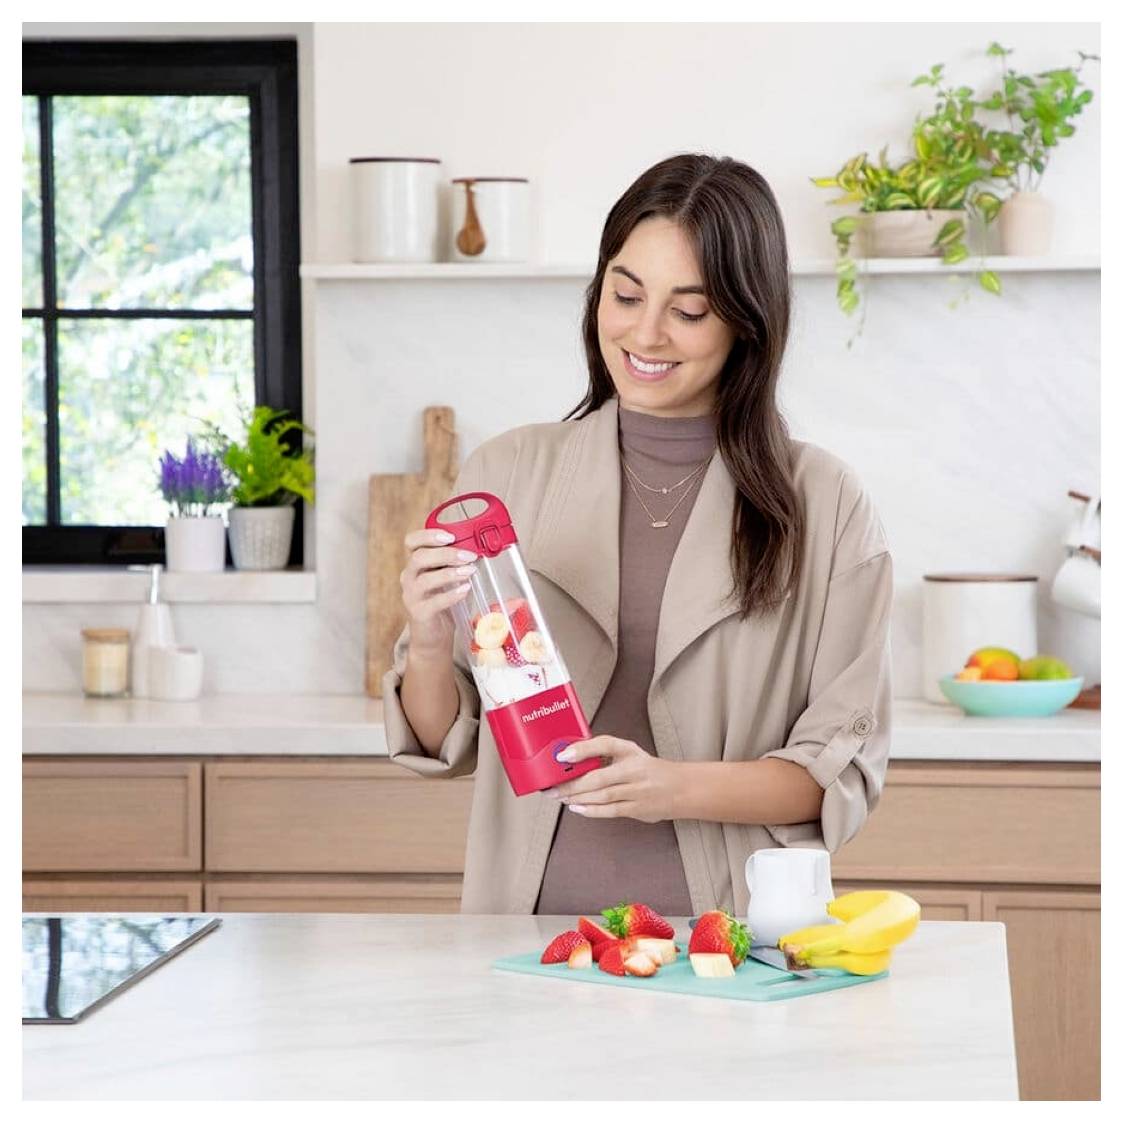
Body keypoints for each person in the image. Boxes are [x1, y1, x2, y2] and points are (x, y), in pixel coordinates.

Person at [383, 153, 892, 918]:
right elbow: (443, 740)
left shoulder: (823, 503)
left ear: (746, 324)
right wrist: (425, 637)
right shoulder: (508, 474)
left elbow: (836, 772)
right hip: (523, 938)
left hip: (729, 945)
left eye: (687, 311)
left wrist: (668, 786)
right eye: (625, 294)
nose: (645, 333)